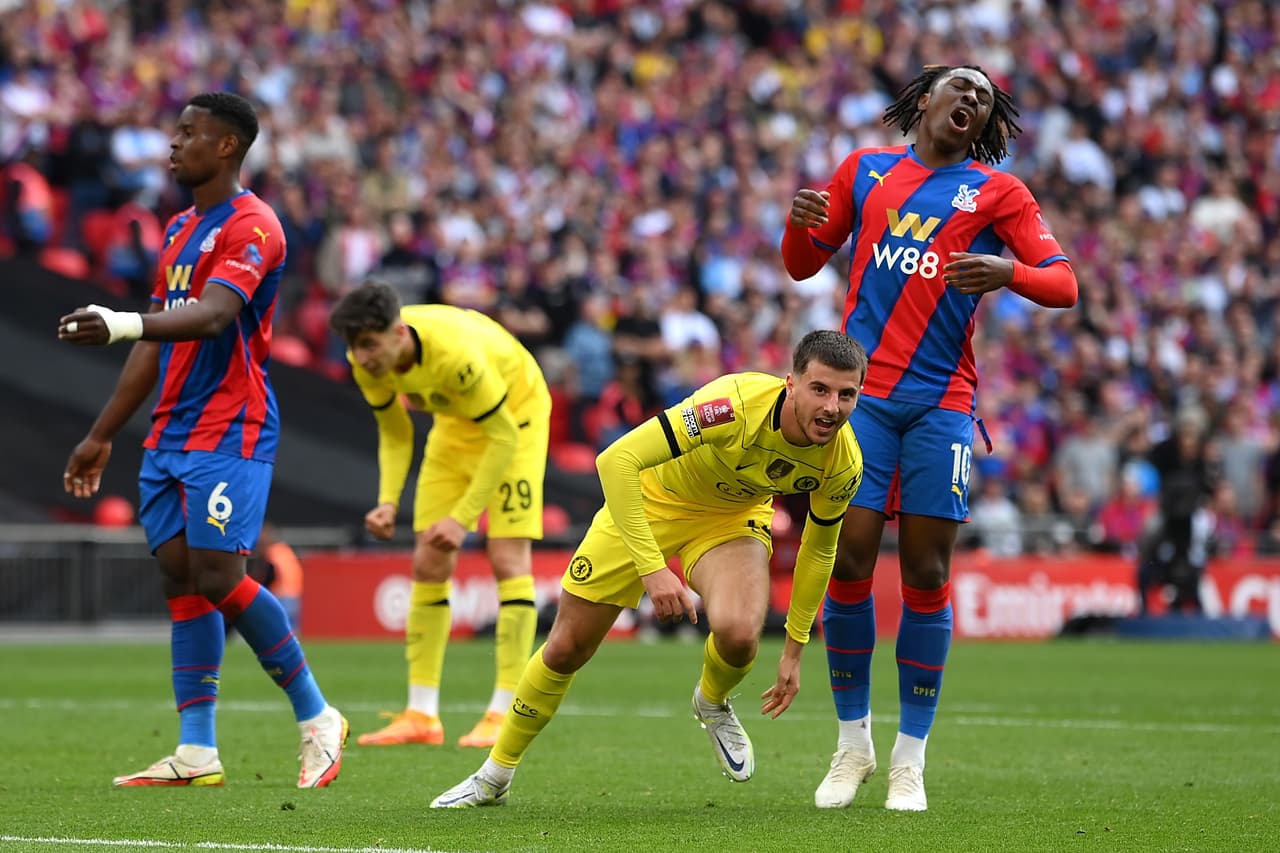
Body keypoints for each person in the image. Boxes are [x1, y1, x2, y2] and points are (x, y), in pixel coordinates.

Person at [781, 65, 1079, 812]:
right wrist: (797, 220)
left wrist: (1008, 270)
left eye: (983, 97)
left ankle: (910, 761)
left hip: (943, 403)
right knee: (848, 559)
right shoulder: (866, 169)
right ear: (923, 101)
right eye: (961, 88)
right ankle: (852, 746)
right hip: (862, 399)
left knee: (924, 568)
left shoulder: (997, 192)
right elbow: (800, 263)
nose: (973, 100)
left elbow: (1064, 284)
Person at [430, 330, 868, 808]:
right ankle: (494, 775)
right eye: (820, 390)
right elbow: (615, 460)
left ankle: (711, 701)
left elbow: (819, 550)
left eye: (847, 394)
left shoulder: (843, 460)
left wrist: (794, 648)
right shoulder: (732, 406)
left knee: (741, 635)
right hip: (651, 501)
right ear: (791, 383)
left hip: (730, 518)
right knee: (565, 648)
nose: (832, 407)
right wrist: (653, 569)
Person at [57, 92, 348, 789]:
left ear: (226, 146)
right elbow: (154, 345)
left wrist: (125, 321)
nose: (173, 143)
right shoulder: (180, 228)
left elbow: (214, 316)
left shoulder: (255, 227)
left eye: (189, 132)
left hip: (232, 425)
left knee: (220, 574)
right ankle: (196, 749)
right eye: (175, 131)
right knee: (180, 577)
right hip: (169, 431)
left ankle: (318, 716)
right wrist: (101, 434)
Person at [328, 281, 551, 749]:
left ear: (399, 333)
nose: (361, 356)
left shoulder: (456, 355)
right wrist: (388, 499)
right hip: (456, 428)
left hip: (517, 422)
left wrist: (463, 517)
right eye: (352, 346)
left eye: (368, 344)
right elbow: (393, 430)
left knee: (507, 557)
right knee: (428, 559)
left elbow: (504, 436)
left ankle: (504, 712)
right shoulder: (367, 362)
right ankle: (422, 715)